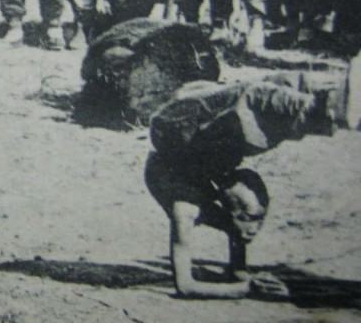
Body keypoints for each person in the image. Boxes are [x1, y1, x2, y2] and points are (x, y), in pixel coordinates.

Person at [146, 67, 353, 299]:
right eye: (248, 219)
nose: (254, 228)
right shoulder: (186, 209)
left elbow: (237, 271)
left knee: (264, 111)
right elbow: (185, 286)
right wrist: (245, 288)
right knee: (250, 106)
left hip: (203, 144)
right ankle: (323, 106)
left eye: (259, 218)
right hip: (170, 146)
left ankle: (322, 98)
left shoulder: (236, 211)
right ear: (227, 208)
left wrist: (256, 281)